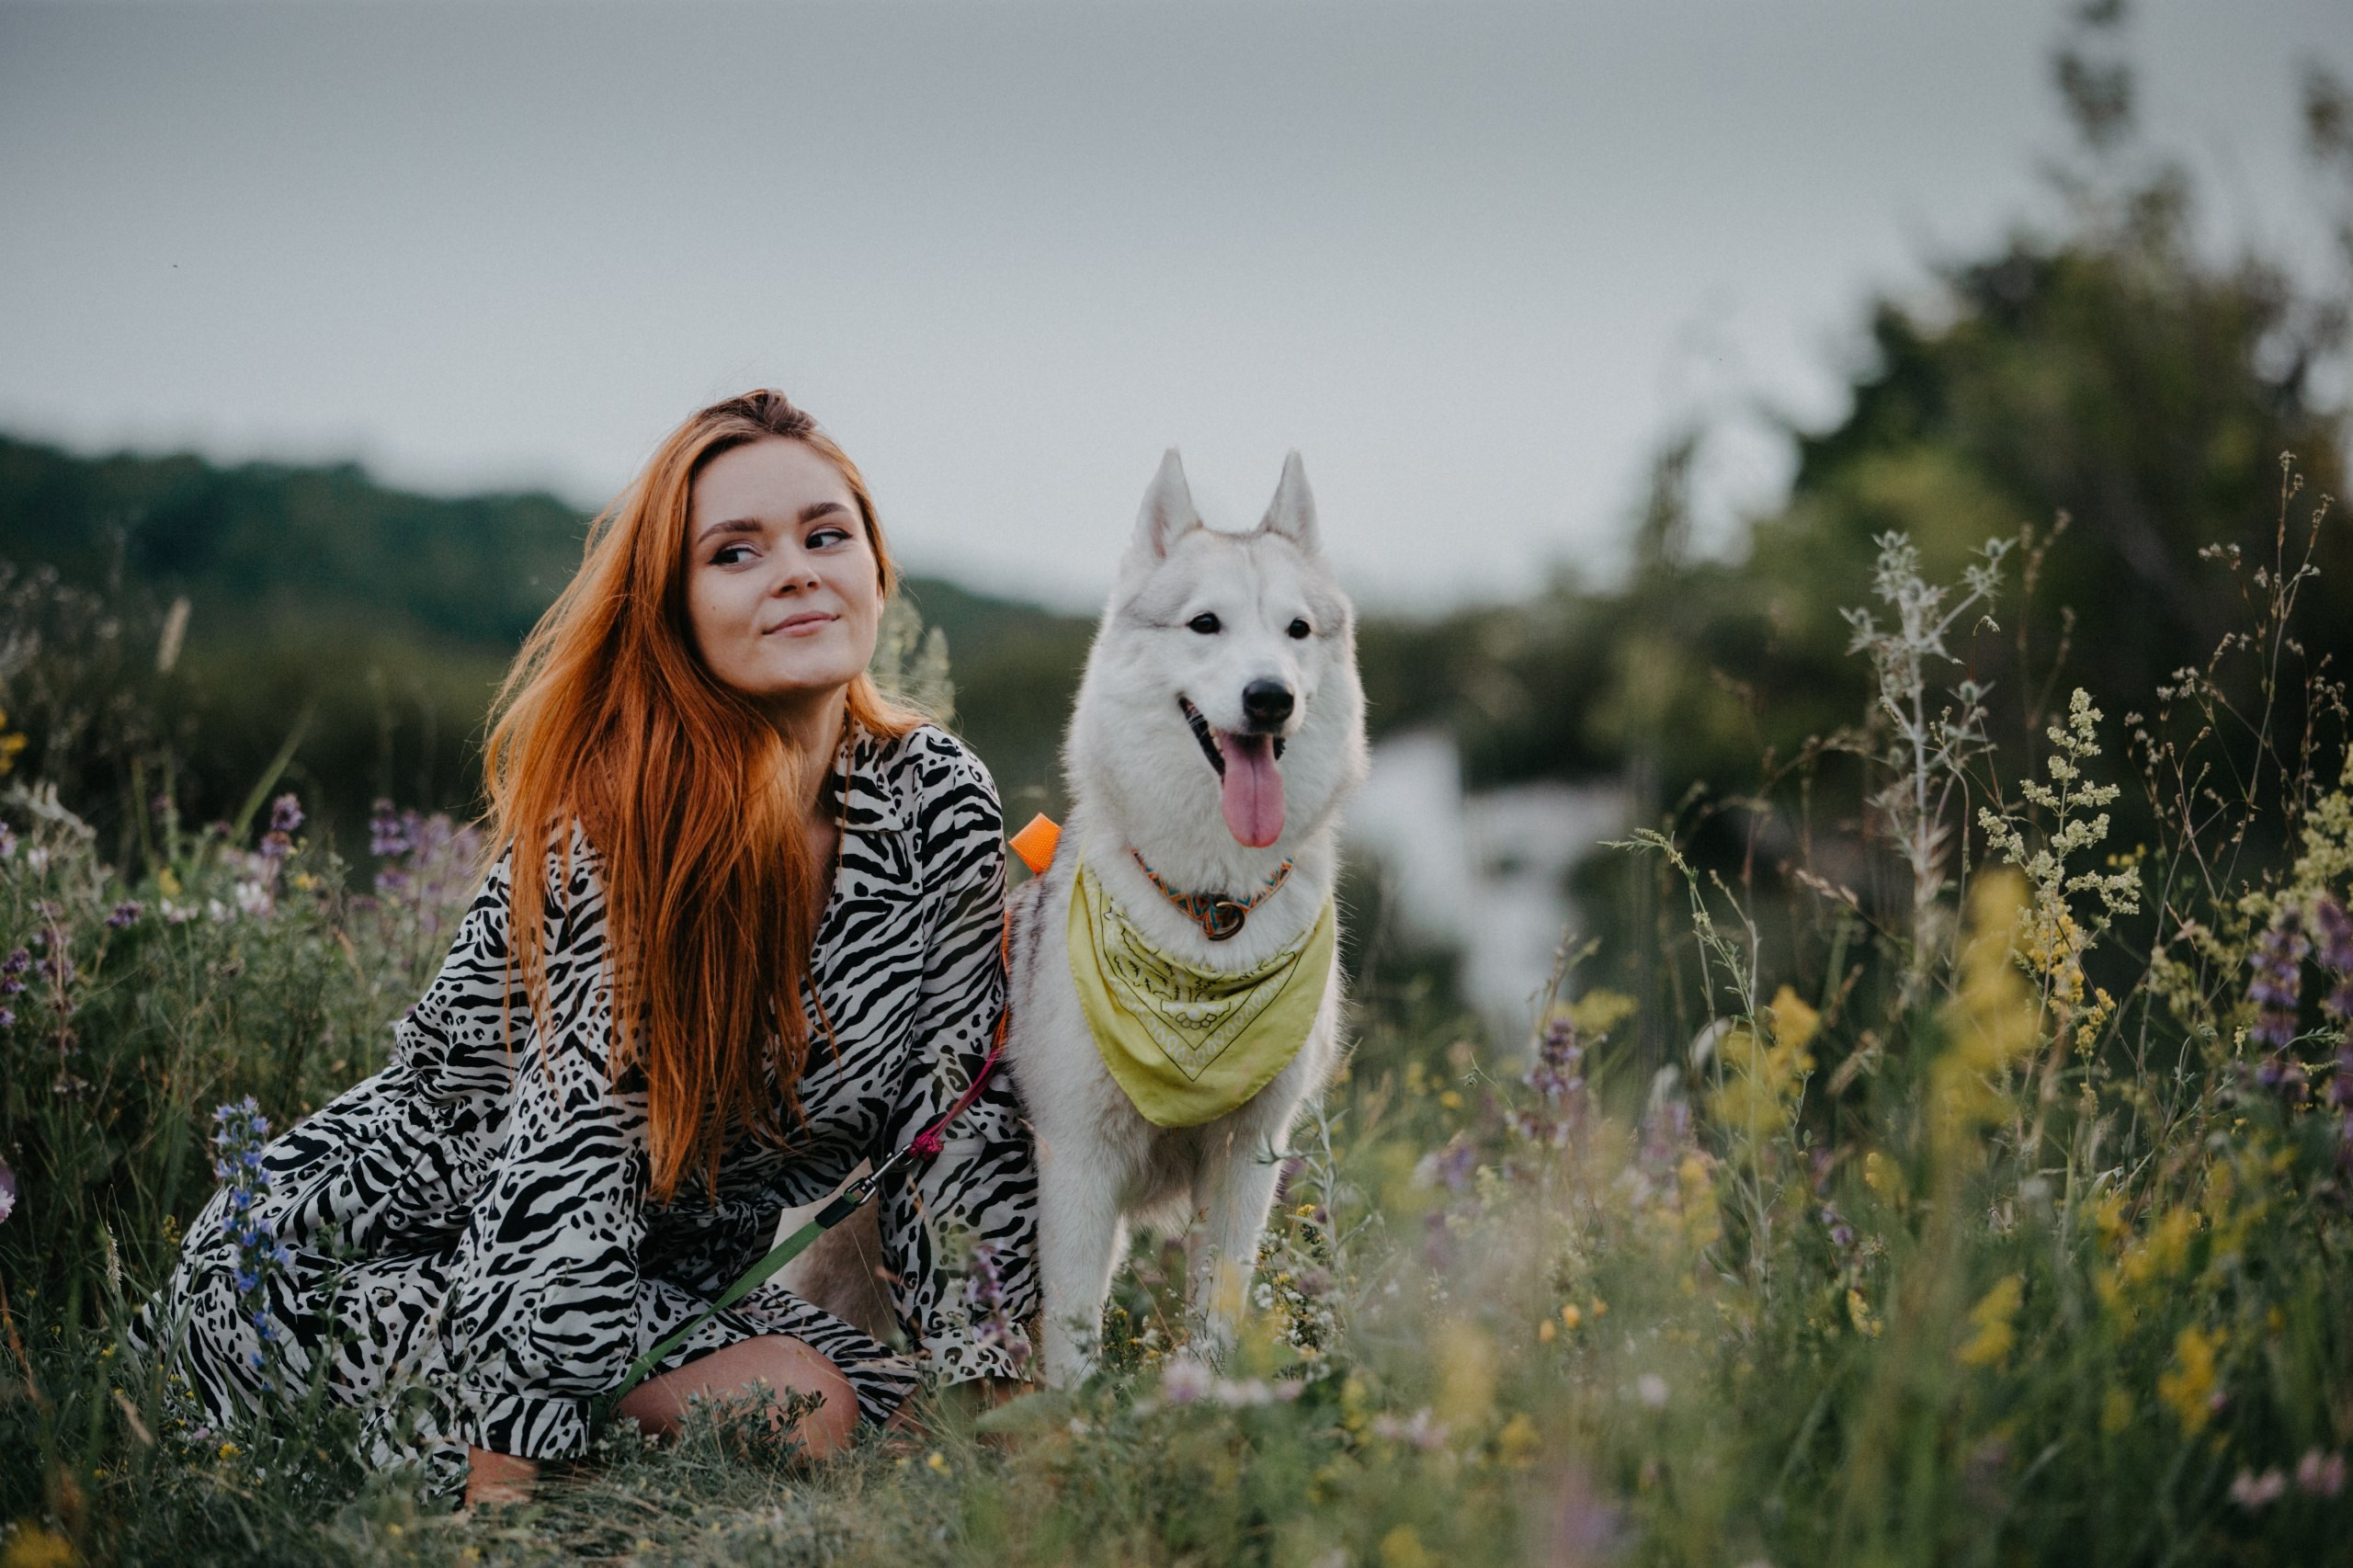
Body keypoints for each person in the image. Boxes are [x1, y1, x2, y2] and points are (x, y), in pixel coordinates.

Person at [138, 390, 1038, 1504]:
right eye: (736, 552)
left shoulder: (936, 800)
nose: (797, 570)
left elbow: (951, 1117)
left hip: (663, 1277)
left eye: (824, 534)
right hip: (374, 1256)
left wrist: (995, 1384)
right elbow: (566, 1156)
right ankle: (500, 1479)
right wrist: (505, 1463)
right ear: (675, 608)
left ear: (876, 565)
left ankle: (622, 1470)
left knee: (908, 1438)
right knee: (802, 1412)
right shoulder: (624, 822)